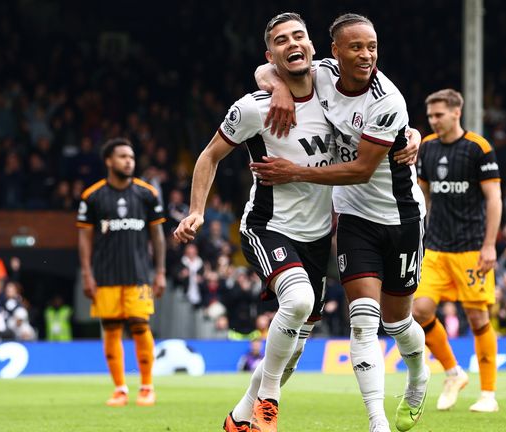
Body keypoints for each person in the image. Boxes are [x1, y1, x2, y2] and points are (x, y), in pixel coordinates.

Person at [174, 13, 419, 432]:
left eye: (299, 36)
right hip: (269, 225)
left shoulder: (331, 90)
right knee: (300, 302)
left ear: (314, 47)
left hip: (320, 235)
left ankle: (240, 416)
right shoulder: (254, 107)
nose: (293, 44)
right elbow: (209, 155)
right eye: (282, 41)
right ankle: (269, 401)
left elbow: (372, 136)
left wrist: (410, 134)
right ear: (272, 55)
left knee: (293, 350)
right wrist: (197, 209)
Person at [253, 13, 429, 432]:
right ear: (335, 52)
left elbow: (361, 170)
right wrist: (278, 87)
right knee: (363, 321)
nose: (366, 55)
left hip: (401, 215)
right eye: (356, 47)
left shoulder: (387, 100)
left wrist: (294, 172)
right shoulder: (325, 73)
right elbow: (267, 66)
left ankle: (419, 376)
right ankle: (377, 422)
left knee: (397, 323)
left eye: (371, 47)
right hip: (354, 217)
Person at [411, 89, 502, 413]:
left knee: (477, 317)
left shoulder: (478, 148)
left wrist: (489, 244)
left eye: (438, 115)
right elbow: (422, 195)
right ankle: (453, 373)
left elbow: (494, 198)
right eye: (430, 116)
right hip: (435, 247)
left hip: (471, 249)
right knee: (419, 311)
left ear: (455, 113)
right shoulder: (427, 148)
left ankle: (488, 394)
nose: (433, 121)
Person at [77, 137, 166, 407]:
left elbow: (158, 236)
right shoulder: (91, 196)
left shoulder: (146, 193)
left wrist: (160, 271)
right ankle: (120, 389)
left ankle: (147, 387)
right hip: (105, 276)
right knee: (112, 330)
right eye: (123, 156)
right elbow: (84, 238)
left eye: (132, 157)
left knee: (140, 326)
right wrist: (87, 274)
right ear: (108, 161)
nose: (129, 161)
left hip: (138, 274)